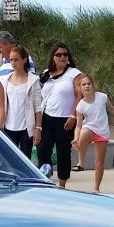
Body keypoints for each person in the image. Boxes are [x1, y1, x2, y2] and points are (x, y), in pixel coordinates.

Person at [73, 74, 114, 192]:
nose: (86, 86)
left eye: (88, 84)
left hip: (102, 131)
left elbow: (112, 109)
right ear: (79, 88)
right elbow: (78, 126)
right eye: (83, 85)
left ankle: (96, 188)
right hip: (89, 128)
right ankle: (81, 162)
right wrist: (76, 138)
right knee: (83, 134)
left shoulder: (102, 97)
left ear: (93, 85)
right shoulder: (80, 105)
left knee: (99, 163)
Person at [36, 42, 82, 187]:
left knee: (63, 153)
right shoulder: (46, 74)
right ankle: (45, 180)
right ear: (53, 57)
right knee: (43, 150)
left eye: (65, 54)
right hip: (46, 117)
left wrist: (73, 115)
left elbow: (79, 95)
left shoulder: (74, 73)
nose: (62, 57)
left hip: (64, 119)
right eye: (59, 54)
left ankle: (62, 184)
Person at [0, 45, 42, 157]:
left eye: (16, 59)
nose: (13, 63)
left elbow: (38, 106)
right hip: (8, 126)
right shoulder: (4, 80)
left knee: (25, 158)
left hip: (25, 128)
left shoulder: (33, 80)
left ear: (24, 60)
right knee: (9, 158)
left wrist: (38, 128)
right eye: (11, 60)